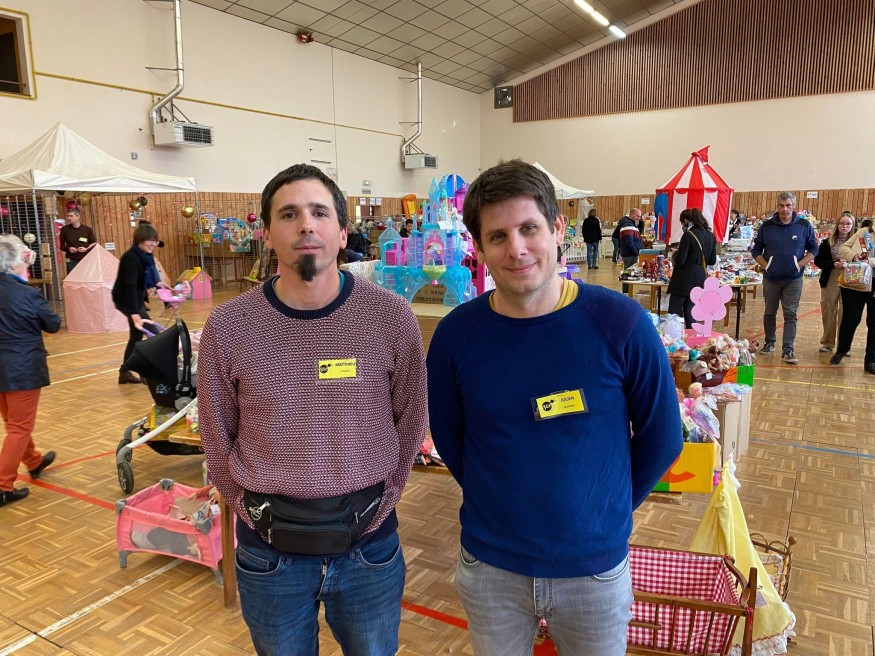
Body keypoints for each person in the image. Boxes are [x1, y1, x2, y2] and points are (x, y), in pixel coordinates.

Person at [426, 160, 683, 656]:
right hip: (492, 569)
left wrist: (603, 514)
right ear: (479, 248)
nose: (516, 249)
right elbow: (451, 439)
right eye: (497, 236)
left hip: (593, 572)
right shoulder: (457, 336)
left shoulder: (620, 323)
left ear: (558, 229)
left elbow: (663, 438)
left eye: (529, 228)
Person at [197, 164, 428, 656]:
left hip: (369, 548)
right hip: (269, 555)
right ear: (267, 234)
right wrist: (250, 512)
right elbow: (216, 435)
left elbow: (411, 419)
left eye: (320, 212)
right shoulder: (229, 326)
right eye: (289, 214)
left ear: (342, 233)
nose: (306, 225)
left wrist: (384, 501)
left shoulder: (391, 317)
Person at [0, 235, 60, 507]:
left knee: (13, 423)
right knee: (19, 427)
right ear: (14, 264)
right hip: (21, 368)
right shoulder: (27, 293)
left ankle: (34, 461)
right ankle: (3, 486)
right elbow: (53, 324)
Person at [751, 192, 818, 365]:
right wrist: (766, 266)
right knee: (769, 312)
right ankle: (769, 342)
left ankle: (788, 350)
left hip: (793, 279)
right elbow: (756, 250)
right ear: (777, 206)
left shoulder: (804, 225)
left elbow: (814, 248)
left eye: (788, 205)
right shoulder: (766, 226)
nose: (784, 209)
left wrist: (800, 264)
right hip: (771, 278)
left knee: (790, 314)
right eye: (781, 206)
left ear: (794, 206)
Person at [111, 223, 169, 384]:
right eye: (149, 242)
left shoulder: (146, 254)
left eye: (154, 242)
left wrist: (158, 283)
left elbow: (149, 273)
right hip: (126, 300)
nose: (152, 245)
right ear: (139, 241)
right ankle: (149, 371)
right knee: (153, 334)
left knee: (136, 337)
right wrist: (134, 312)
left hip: (135, 299)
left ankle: (125, 372)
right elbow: (129, 285)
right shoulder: (131, 258)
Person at [831, 221, 875, 373]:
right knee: (850, 319)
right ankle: (842, 350)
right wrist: (854, 256)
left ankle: (871, 359)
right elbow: (843, 248)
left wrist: (870, 261)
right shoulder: (864, 232)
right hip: (855, 282)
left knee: (874, 323)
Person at [667, 208, 718, 328]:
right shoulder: (711, 236)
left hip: (683, 279)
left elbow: (680, 260)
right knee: (691, 313)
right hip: (699, 277)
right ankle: (691, 335)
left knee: (674, 313)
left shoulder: (688, 235)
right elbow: (712, 260)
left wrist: (675, 253)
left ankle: (674, 336)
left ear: (689, 221)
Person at [814, 214, 855, 353]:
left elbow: (863, 260)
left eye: (848, 224)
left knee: (846, 312)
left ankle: (844, 346)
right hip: (831, 276)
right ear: (837, 225)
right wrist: (833, 264)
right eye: (842, 223)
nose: (845, 226)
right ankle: (827, 342)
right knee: (828, 309)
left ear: (852, 226)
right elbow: (818, 261)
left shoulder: (857, 243)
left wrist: (849, 263)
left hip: (850, 276)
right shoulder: (828, 241)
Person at [58, 208, 96, 273]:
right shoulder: (64, 229)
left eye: (71, 216)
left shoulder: (87, 230)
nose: (68, 218)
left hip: (86, 259)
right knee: (72, 278)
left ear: (78, 217)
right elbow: (60, 245)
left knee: (85, 277)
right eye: (67, 216)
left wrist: (86, 249)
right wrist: (69, 248)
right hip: (71, 260)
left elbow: (94, 243)